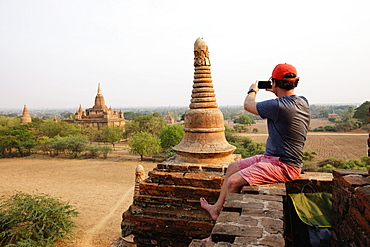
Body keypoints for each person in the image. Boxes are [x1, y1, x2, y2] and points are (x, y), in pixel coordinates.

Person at [200, 63, 310, 222]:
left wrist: (253, 90)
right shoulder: (303, 101)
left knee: (233, 182)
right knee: (232, 167)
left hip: (284, 165)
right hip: (271, 158)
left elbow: (248, 104)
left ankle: (226, 225)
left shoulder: (279, 106)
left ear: (274, 82)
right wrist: (277, 89)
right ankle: (216, 209)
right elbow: (285, 101)